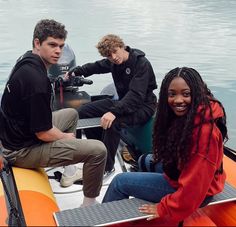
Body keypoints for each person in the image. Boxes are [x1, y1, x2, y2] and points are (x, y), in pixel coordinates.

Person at [0, 19, 107, 207]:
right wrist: (66, 137)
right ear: (37, 43)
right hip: (21, 151)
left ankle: (70, 171)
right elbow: (44, 133)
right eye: (52, 45)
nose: (58, 51)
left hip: (16, 134)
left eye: (61, 46)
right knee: (98, 150)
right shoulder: (36, 81)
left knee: (71, 114)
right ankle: (89, 204)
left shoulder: (26, 61)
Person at [102, 67, 228, 222]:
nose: (178, 100)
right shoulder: (193, 113)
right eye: (172, 94)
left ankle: (105, 221)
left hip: (197, 192)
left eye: (186, 94)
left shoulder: (204, 134)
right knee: (145, 160)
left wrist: (165, 207)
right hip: (183, 172)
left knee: (119, 182)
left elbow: (194, 189)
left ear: (196, 93)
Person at [68, 34, 157, 175]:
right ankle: (97, 150)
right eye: (109, 56)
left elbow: (135, 95)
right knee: (84, 111)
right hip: (123, 103)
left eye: (115, 51)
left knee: (114, 122)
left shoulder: (141, 64)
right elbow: (96, 67)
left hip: (143, 106)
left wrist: (114, 112)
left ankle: (106, 167)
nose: (114, 57)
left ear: (122, 46)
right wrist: (76, 71)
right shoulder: (114, 62)